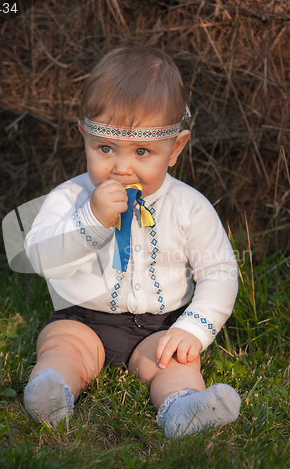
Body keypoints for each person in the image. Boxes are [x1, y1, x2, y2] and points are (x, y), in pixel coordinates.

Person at [23, 46, 241, 438]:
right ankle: (51, 392)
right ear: (85, 138)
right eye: (105, 149)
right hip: (83, 317)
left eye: (142, 152)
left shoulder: (190, 207)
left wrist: (194, 328)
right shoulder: (70, 198)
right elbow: (40, 257)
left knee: (173, 363)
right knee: (62, 346)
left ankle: (182, 410)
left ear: (175, 148)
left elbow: (219, 272)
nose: (122, 167)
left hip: (160, 327)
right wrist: (90, 219)